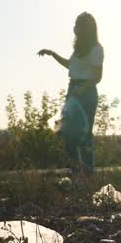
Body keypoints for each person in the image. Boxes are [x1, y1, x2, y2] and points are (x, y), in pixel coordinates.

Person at [38, 13, 104, 173]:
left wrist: (81, 90)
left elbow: (97, 76)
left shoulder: (96, 48)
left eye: (78, 25)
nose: (75, 28)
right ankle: (77, 172)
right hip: (73, 90)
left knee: (84, 135)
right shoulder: (78, 49)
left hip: (86, 93)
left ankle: (87, 175)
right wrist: (53, 54)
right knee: (67, 134)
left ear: (86, 28)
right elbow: (71, 65)